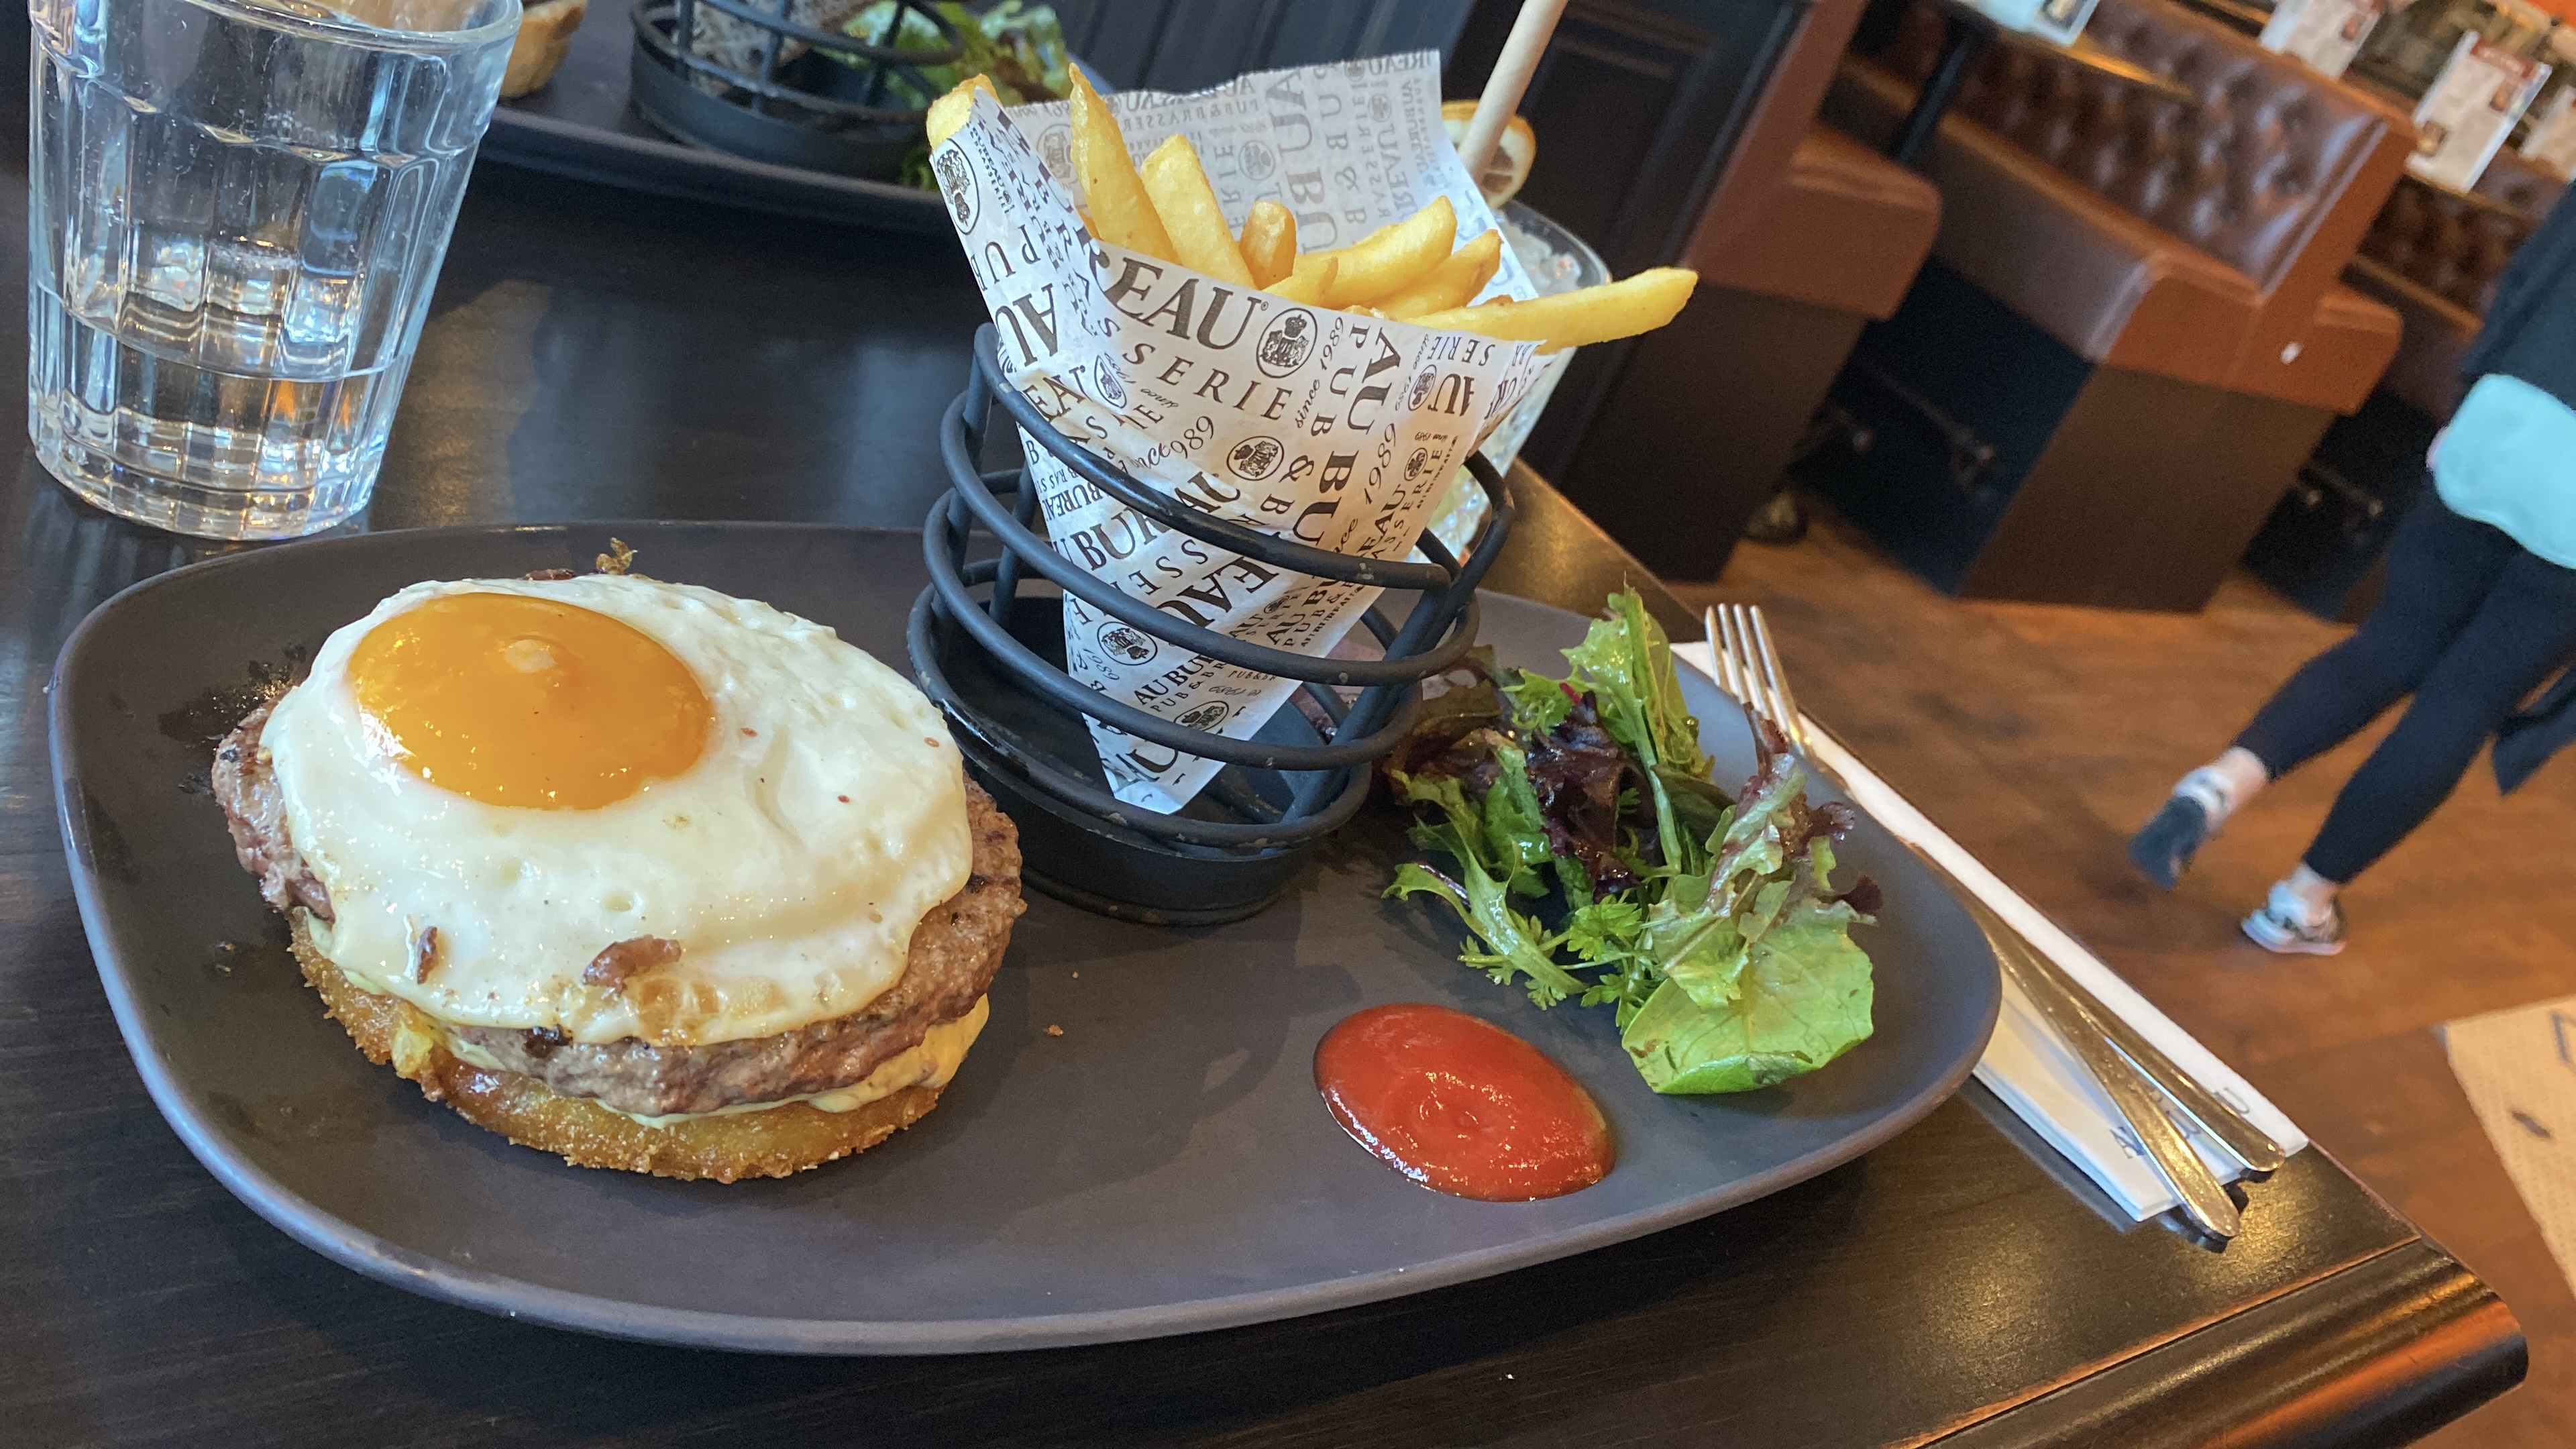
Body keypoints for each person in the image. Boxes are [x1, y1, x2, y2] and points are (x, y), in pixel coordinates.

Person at [2129, 180, 2576, 954]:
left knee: (2390, 643)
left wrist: (2469, 401)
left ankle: (2221, 784)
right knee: (2463, 700)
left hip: (2508, 420)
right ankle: (2301, 905)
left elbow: (2529, 277)